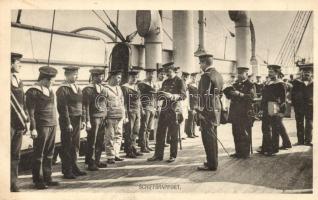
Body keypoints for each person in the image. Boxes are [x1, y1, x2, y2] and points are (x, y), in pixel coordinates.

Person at [26, 66, 59, 189]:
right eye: (52, 80)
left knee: (49, 153)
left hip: (52, 125)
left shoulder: (50, 90)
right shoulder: (32, 91)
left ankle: (47, 177)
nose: (53, 83)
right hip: (41, 126)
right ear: (45, 79)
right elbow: (31, 112)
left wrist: (56, 123)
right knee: (39, 153)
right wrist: (33, 128)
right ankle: (38, 180)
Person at [147, 62, 186, 163]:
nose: (166, 74)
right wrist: (157, 94)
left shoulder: (179, 81)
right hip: (164, 109)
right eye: (165, 72)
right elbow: (161, 95)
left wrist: (172, 96)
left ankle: (173, 155)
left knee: (173, 134)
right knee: (160, 132)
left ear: (173, 70)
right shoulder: (165, 82)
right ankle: (158, 155)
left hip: (174, 110)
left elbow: (183, 95)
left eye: (168, 71)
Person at [56, 66, 87, 179]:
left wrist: (83, 119)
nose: (76, 76)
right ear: (67, 75)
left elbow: (82, 104)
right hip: (68, 120)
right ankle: (67, 170)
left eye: (77, 74)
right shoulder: (62, 89)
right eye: (74, 74)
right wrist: (68, 122)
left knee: (75, 145)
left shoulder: (77, 87)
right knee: (67, 145)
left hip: (77, 119)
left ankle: (74, 167)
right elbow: (63, 108)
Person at [196, 53, 224, 171]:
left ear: (204, 63)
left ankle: (211, 164)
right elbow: (220, 93)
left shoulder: (206, 76)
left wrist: (201, 111)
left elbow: (204, 95)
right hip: (215, 109)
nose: (200, 65)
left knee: (208, 138)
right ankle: (213, 161)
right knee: (213, 137)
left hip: (207, 111)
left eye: (200, 63)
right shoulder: (218, 75)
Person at [223, 67, 256, 158]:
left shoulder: (250, 85)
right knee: (236, 132)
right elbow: (229, 96)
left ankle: (245, 153)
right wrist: (229, 93)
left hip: (245, 112)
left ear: (246, 74)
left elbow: (252, 98)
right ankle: (238, 151)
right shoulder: (235, 84)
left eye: (241, 73)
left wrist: (240, 94)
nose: (239, 75)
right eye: (238, 73)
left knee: (244, 132)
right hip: (235, 112)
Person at [258, 65, 290, 156]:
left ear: (277, 73)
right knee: (265, 128)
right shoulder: (268, 82)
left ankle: (274, 148)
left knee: (275, 128)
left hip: (274, 106)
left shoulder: (280, 84)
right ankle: (266, 147)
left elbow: (283, 99)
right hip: (265, 106)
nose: (269, 73)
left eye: (271, 72)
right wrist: (261, 108)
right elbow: (264, 97)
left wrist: (281, 112)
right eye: (269, 71)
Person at [82, 68, 108, 171]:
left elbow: (105, 103)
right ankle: (91, 162)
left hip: (102, 117)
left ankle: (97, 160)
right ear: (94, 77)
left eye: (102, 76)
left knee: (100, 141)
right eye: (99, 76)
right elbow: (85, 106)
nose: (102, 78)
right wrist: (87, 121)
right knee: (92, 141)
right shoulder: (87, 90)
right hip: (93, 118)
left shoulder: (103, 89)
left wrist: (106, 115)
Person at [10, 52, 29, 192]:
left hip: (18, 122)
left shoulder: (19, 80)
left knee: (15, 154)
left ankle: (13, 182)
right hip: (7, 123)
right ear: (10, 63)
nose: (20, 65)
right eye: (18, 62)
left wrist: (25, 119)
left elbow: (23, 102)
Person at [104, 69, 126, 164]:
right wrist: (105, 117)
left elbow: (122, 102)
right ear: (112, 77)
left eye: (120, 78)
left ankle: (116, 154)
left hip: (119, 116)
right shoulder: (105, 89)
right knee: (110, 136)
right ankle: (110, 156)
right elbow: (103, 104)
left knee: (119, 135)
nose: (119, 80)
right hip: (110, 116)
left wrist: (124, 116)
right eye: (118, 77)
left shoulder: (119, 88)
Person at [121, 69, 143, 158]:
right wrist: (125, 114)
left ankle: (134, 148)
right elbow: (124, 102)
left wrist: (141, 109)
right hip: (130, 112)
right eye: (133, 77)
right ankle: (128, 150)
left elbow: (139, 99)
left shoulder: (136, 87)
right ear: (129, 77)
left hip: (137, 111)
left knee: (135, 131)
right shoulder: (125, 87)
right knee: (129, 131)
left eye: (136, 77)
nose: (134, 79)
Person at [291, 63, 313, 146]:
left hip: (310, 106)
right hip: (299, 106)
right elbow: (293, 94)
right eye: (304, 72)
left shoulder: (314, 82)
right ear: (302, 73)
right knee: (299, 123)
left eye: (308, 72)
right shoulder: (296, 82)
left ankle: (308, 140)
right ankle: (300, 141)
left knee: (309, 123)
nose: (306, 73)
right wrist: (294, 104)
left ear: (311, 73)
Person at [138, 68, 158, 153]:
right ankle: (143, 145)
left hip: (152, 107)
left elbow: (155, 97)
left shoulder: (153, 84)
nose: (152, 75)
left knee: (149, 128)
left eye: (153, 74)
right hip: (145, 107)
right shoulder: (142, 84)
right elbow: (139, 97)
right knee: (144, 127)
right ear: (146, 74)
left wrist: (156, 107)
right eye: (150, 74)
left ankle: (147, 144)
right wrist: (141, 108)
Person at [185, 72, 199, 138]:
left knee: (194, 119)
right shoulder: (189, 85)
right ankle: (189, 133)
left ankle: (193, 132)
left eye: (195, 77)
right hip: (191, 103)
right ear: (191, 77)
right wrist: (189, 106)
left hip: (196, 103)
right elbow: (188, 96)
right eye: (193, 77)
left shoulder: (196, 85)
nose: (194, 78)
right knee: (190, 119)